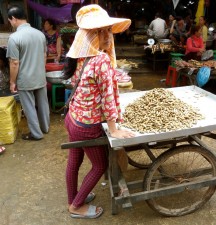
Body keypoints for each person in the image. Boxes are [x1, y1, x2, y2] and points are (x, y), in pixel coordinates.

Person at [63, 4, 135, 219]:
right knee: (100, 164)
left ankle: (73, 199)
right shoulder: (101, 59)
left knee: (74, 161)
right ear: (89, 35)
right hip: (86, 125)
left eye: (107, 30)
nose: (106, 36)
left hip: (73, 118)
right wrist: (114, 129)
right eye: (99, 31)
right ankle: (76, 207)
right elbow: (108, 97)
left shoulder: (83, 56)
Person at [6, 5, 50, 140]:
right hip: (40, 76)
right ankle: (45, 128)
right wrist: (40, 72)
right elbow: (44, 56)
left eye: (10, 21)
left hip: (25, 78)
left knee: (29, 107)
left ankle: (36, 134)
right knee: (43, 104)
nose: (11, 24)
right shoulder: (40, 34)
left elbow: (14, 63)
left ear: (13, 18)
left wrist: (12, 82)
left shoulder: (14, 38)